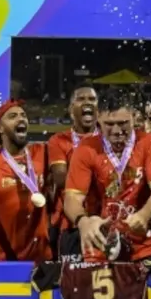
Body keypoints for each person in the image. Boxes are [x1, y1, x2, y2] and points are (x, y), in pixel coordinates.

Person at [64, 90, 151, 263]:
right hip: (100, 241)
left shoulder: (149, 143)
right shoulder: (87, 148)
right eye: (109, 124)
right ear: (98, 117)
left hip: (144, 245)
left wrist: (144, 214)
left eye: (123, 123)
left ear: (133, 116)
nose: (116, 131)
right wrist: (83, 222)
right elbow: (72, 197)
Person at [0, 99, 51, 261]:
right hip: (3, 254)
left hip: (40, 254)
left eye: (23, 115)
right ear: (0, 128)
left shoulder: (43, 152)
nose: (21, 119)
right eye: (12, 116)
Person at [47, 84, 100, 245]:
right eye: (81, 99)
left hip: (101, 217)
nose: (87, 102)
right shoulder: (59, 140)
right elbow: (61, 179)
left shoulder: (107, 138)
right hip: (69, 221)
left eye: (92, 99)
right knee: (71, 270)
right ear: (71, 109)